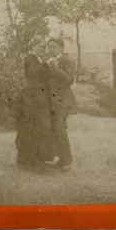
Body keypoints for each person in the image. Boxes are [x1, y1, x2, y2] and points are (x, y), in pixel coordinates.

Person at [14, 37, 56, 171]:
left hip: (41, 97)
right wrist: (46, 65)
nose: (42, 49)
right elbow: (33, 73)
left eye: (43, 47)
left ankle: (34, 159)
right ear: (32, 48)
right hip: (31, 98)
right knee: (34, 128)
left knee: (40, 127)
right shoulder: (30, 59)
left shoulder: (40, 60)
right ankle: (33, 161)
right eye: (39, 47)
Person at [45, 38, 76, 172]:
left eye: (54, 47)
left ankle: (67, 161)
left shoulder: (67, 61)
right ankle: (61, 159)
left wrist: (55, 68)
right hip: (51, 101)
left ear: (61, 48)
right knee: (53, 129)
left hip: (63, 101)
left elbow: (69, 80)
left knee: (60, 128)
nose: (51, 49)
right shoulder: (49, 62)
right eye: (49, 47)